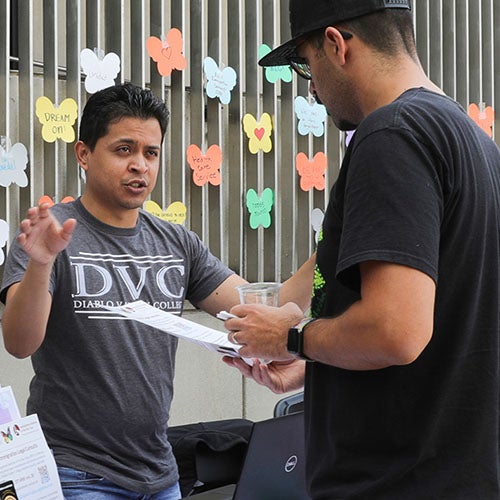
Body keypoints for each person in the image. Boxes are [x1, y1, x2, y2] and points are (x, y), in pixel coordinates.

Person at [222, 0, 500, 498]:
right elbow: (440, 334)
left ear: (336, 44)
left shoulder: (392, 134)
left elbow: (397, 330)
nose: (310, 86)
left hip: (397, 481)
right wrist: (315, 367)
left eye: (306, 64)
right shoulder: (474, 142)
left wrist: (294, 338)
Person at [0, 83, 313, 499]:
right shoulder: (50, 234)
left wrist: (334, 243)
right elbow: (20, 343)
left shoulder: (176, 242)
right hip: (76, 474)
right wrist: (41, 262)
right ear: (84, 154)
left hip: (160, 473)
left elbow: (269, 308)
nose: (139, 166)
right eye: (123, 149)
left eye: (151, 153)